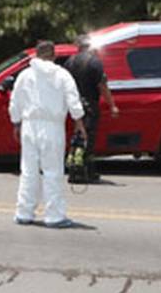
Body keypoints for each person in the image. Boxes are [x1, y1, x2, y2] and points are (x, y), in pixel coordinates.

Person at [9, 40, 87, 226]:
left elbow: (15, 101)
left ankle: (24, 212)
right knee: (52, 171)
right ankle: (54, 215)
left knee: (28, 171)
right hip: (52, 126)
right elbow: (73, 100)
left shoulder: (25, 75)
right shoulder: (62, 75)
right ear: (53, 55)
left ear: (36, 54)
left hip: (29, 125)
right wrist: (79, 122)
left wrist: (16, 123)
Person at [63, 34, 119, 181]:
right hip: (89, 105)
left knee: (77, 138)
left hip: (73, 105)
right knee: (87, 138)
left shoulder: (70, 61)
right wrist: (112, 105)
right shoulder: (95, 63)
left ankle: (74, 169)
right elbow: (102, 86)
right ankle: (83, 171)